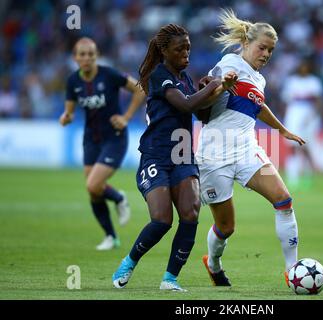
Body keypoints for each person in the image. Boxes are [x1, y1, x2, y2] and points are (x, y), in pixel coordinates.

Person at [111, 24, 237, 291]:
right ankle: (129, 261)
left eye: (188, 48)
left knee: (190, 214)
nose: (186, 53)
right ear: (165, 51)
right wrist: (214, 84)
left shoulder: (185, 79)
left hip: (183, 157)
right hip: (156, 156)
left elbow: (200, 114)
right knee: (162, 220)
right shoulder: (159, 76)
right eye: (180, 49)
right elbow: (187, 105)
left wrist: (217, 91)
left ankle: (170, 279)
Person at [195, 9, 305, 287]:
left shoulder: (259, 79)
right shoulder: (228, 63)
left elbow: (258, 105)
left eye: (271, 50)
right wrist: (221, 86)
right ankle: (214, 263)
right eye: (262, 48)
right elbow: (202, 106)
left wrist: (282, 129)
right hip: (213, 155)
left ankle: (292, 270)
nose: (266, 54)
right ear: (246, 44)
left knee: (284, 199)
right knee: (226, 227)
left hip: (246, 151)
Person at [60, 37, 146, 250]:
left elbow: (140, 89)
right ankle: (111, 237)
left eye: (91, 54)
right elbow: (69, 110)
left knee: (92, 184)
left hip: (115, 137)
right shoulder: (73, 81)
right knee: (93, 191)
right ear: (75, 58)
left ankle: (118, 198)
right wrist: (66, 117)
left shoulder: (109, 75)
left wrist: (126, 117)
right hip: (90, 139)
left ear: (96, 55)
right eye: (82, 54)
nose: (87, 58)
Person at [281, 59, 323, 191]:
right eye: (302, 66)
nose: (303, 69)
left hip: (309, 116)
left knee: (306, 147)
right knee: (292, 147)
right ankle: (293, 178)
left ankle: (307, 177)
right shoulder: (292, 81)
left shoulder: (314, 82)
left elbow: (319, 101)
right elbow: (286, 100)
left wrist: (314, 116)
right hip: (294, 116)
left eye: (306, 66)